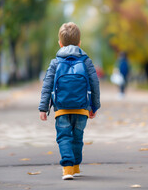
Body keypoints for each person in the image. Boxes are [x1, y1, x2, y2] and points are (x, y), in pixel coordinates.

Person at [38, 22, 101, 180]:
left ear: (60, 43)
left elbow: (47, 85)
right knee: (78, 137)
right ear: (80, 43)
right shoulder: (86, 62)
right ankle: (76, 166)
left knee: (64, 136)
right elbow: (94, 83)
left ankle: (67, 169)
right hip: (81, 108)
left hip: (62, 108)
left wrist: (43, 107)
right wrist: (94, 106)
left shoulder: (55, 62)